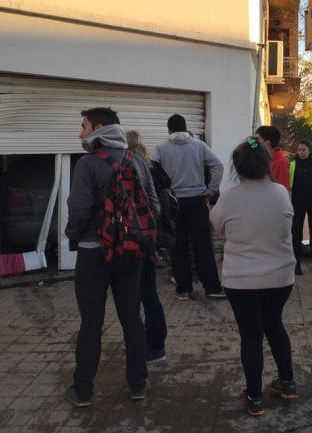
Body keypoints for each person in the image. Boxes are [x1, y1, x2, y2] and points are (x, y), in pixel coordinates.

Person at [65, 107, 159, 407]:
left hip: (94, 254)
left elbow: (79, 210)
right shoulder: (137, 162)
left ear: (99, 128)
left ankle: (83, 390)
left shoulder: (88, 164)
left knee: (91, 321)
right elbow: (153, 207)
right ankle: (138, 383)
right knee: (131, 318)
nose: (81, 133)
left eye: (84, 126)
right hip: (130, 255)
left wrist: (74, 236)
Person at [210, 137, 297, 417]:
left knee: (251, 336)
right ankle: (288, 382)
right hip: (280, 278)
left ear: (237, 166)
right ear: (266, 163)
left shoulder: (230, 196)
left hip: (241, 281)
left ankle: (254, 397)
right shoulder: (281, 192)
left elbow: (216, 226)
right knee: (275, 326)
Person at [154, 114, 225, 300]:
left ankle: (183, 289)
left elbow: (153, 172)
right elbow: (218, 165)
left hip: (174, 202)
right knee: (203, 244)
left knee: (178, 246)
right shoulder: (199, 145)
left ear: (169, 130)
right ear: (186, 128)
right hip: (197, 200)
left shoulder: (161, 148)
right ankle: (212, 288)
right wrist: (210, 190)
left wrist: (163, 194)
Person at [127, 130, 169, 363]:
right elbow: (156, 206)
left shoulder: (135, 167)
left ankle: (154, 346)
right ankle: (143, 341)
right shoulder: (148, 165)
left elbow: (152, 204)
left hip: (138, 239)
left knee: (144, 293)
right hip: (148, 238)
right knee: (144, 292)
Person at [289, 139, 312, 275]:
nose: (301, 152)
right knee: (296, 233)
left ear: (309, 150)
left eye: (304, 150)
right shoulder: (292, 165)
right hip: (297, 203)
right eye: (299, 150)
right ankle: (296, 264)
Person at [255, 125, 290, 192]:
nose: (255, 143)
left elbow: (282, 191)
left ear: (267, 142)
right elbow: (250, 142)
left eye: (258, 139)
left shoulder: (279, 162)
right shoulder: (266, 157)